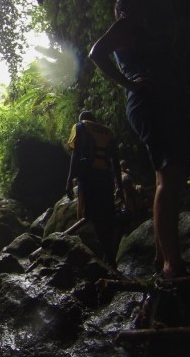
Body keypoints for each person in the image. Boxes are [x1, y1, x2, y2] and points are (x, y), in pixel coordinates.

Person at [88, 0, 190, 278]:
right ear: (126, 10)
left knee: (165, 178)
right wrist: (129, 84)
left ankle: (161, 258)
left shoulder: (147, 35)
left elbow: (171, 81)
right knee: (170, 176)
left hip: (163, 104)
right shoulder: (126, 23)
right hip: (148, 104)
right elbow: (96, 53)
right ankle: (172, 265)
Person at [66, 110, 125, 267]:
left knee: (94, 216)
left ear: (82, 119)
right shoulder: (107, 132)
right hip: (106, 178)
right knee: (107, 216)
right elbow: (115, 161)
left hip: (89, 177)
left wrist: (69, 180)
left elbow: (75, 154)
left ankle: (108, 256)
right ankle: (109, 255)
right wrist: (119, 186)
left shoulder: (80, 126)